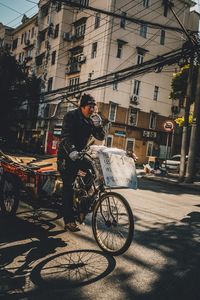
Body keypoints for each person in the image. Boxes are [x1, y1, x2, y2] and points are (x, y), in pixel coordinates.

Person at [57, 94, 105, 232]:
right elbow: (65, 137)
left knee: (91, 175)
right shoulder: (71, 116)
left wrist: (99, 126)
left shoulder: (90, 120)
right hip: (66, 156)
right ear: (82, 106)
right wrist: (71, 151)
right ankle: (69, 221)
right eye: (90, 107)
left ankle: (81, 208)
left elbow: (100, 137)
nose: (92, 110)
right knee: (68, 185)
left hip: (81, 155)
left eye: (94, 107)